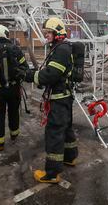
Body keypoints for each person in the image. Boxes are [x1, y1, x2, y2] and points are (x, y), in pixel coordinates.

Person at [23, 17, 78, 183]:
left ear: (57, 34)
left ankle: (52, 173)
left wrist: (30, 76)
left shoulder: (61, 50)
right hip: (64, 98)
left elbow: (50, 75)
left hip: (59, 100)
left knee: (54, 133)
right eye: (46, 32)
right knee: (66, 128)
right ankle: (70, 157)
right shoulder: (60, 47)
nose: (46, 35)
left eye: (48, 32)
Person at [0, 24, 29, 151]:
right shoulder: (15, 48)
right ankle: (14, 135)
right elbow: (25, 67)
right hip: (14, 88)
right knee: (14, 112)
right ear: (6, 34)